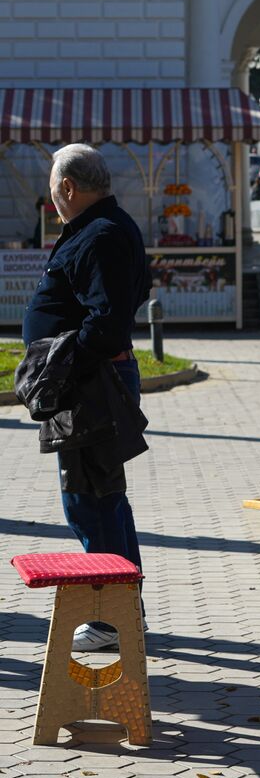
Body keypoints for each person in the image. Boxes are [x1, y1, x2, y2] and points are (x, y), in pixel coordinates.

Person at [21, 144, 153, 652]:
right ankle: (120, 608)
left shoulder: (101, 235)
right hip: (86, 383)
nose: (52, 197)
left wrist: (56, 360)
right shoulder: (101, 228)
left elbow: (106, 322)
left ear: (69, 188)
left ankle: (108, 618)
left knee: (90, 499)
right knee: (103, 497)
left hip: (88, 387)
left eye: (54, 188)